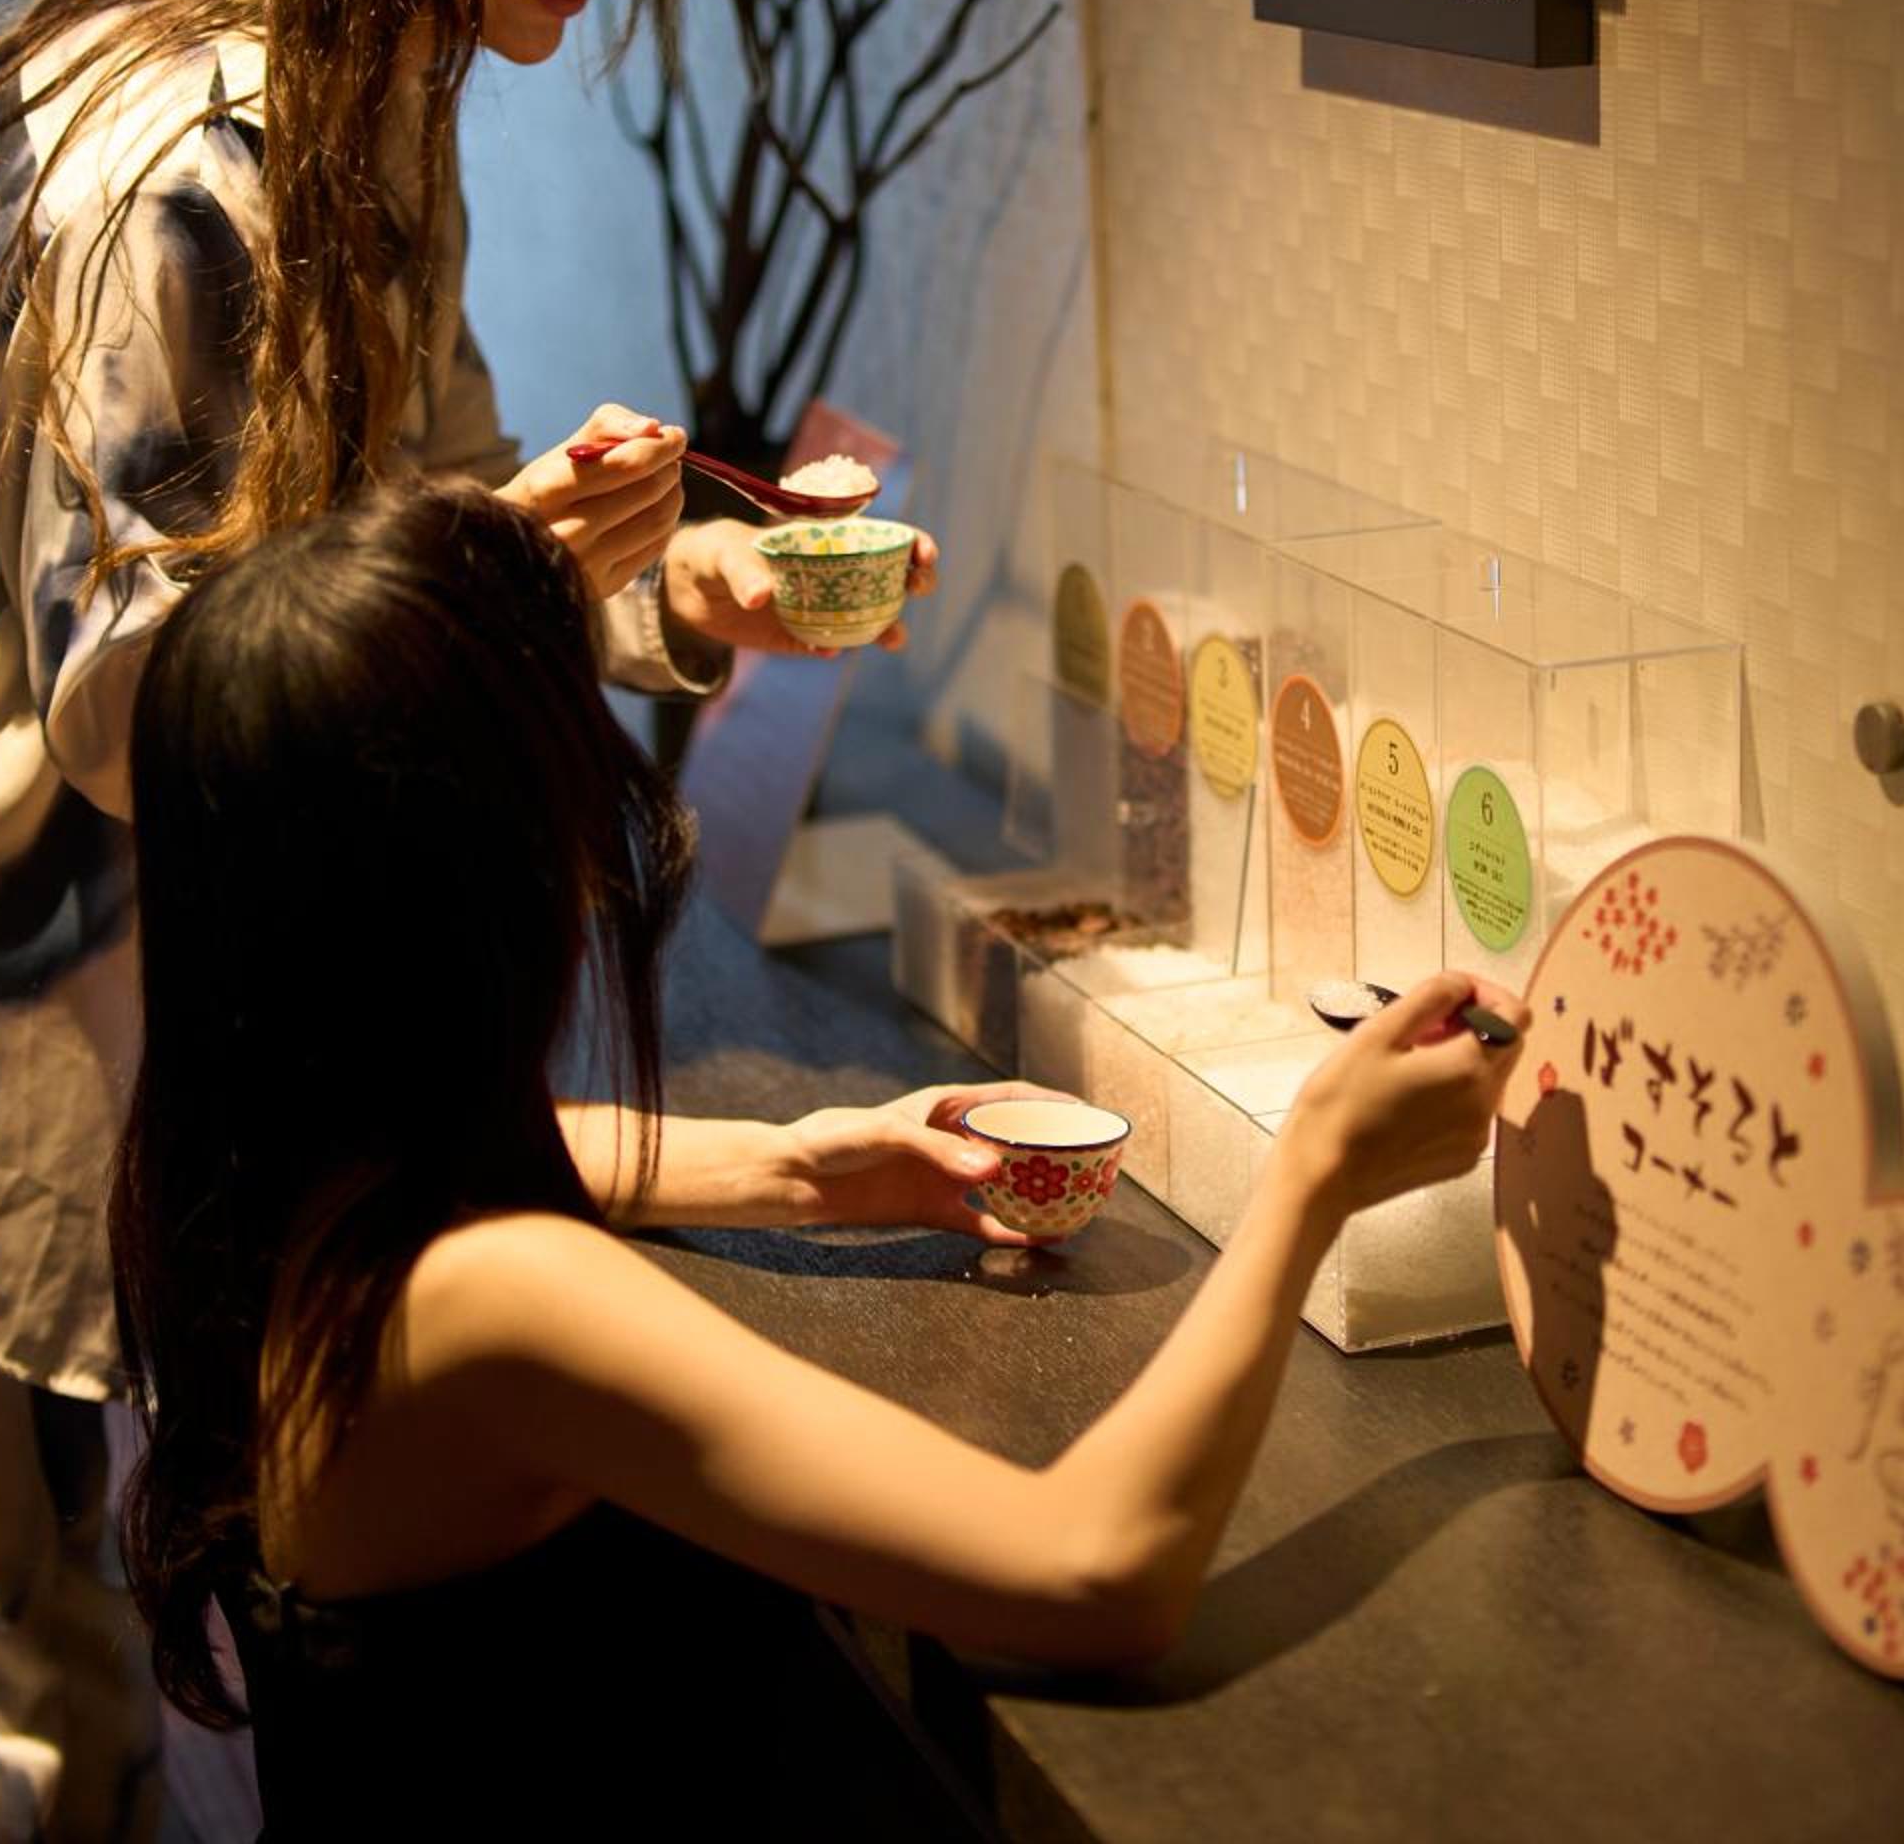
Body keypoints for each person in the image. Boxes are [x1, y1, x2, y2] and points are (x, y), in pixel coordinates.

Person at [0, 0, 939, 1835]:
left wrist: (676, 584)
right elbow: (156, 697)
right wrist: (510, 560)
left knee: (44, 1625)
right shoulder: (182, 153)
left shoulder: (379, 84)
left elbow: (428, 496)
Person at [108, 476, 1530, 1835]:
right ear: (481, 880)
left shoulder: (263, 1155)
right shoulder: (497, 1304)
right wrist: (1313, 1179)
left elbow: (550, 1147)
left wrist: (797, 1168)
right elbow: (1097, 1573)